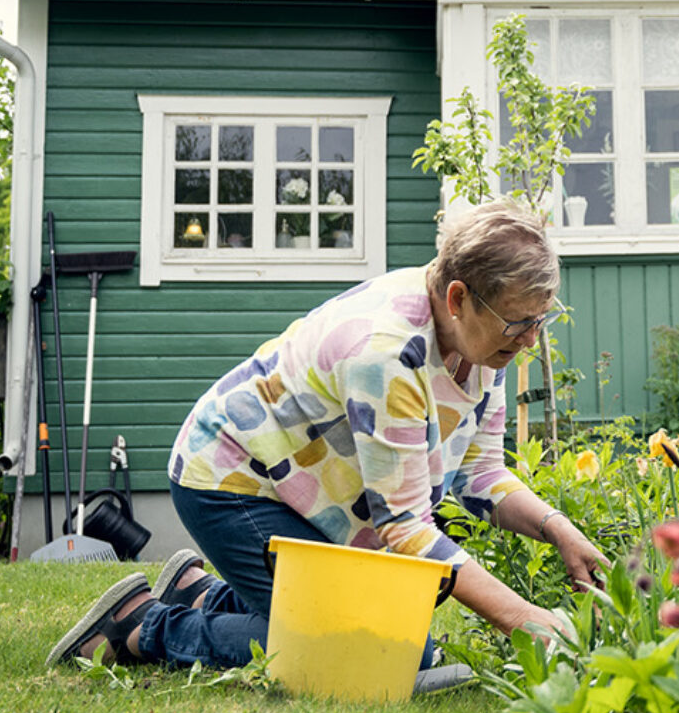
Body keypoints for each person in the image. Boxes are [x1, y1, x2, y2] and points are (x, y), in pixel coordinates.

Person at [46, 200, 606, 673]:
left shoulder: (485, 340)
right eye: (519, 324)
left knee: (393, 644)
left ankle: (200, 590)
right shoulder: (386, 352)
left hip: (301, 491)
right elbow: (405, 529)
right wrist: (520, 618)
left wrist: (559, 530)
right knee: (385, 655)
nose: (531, 339)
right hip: (233, 479)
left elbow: (480, 475)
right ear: (458, 298)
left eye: (541, 320)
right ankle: (145, 626)